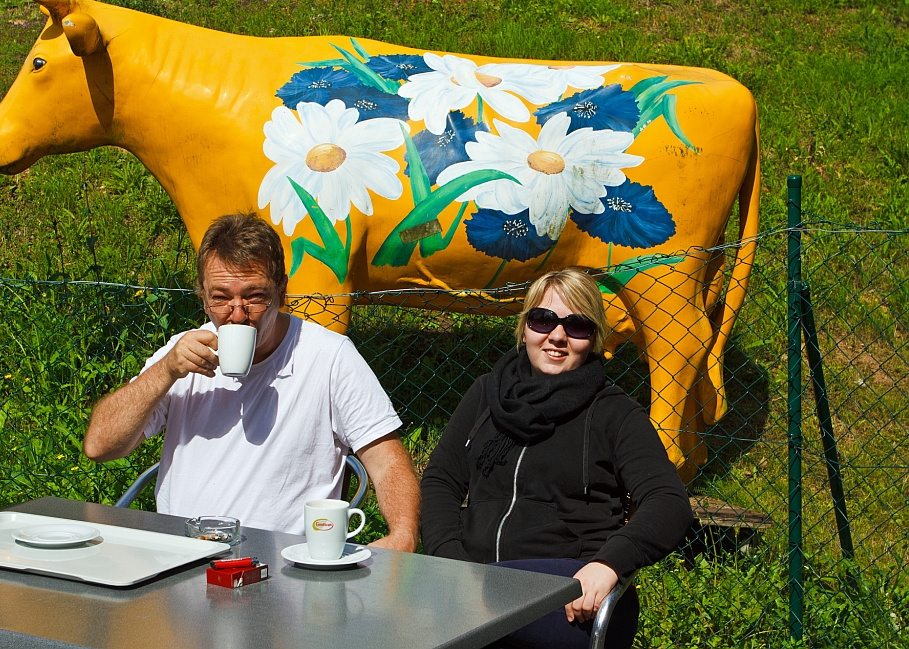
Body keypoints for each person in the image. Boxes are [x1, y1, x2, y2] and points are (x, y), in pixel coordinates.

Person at [84, 213, 419, 551]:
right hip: (182, 557)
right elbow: (99, 446)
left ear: (282, 291)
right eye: (220, 298)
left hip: (282, 569)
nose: (238, 314)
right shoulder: (182, 354)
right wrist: (165, 371)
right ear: (202, 297)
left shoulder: (328, 357)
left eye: (254, 296)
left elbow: (387, 459)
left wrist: (402, 536)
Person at [420, 268, 692, 648]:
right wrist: (449, 560)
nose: (557, 335)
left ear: (594, 337)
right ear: (525, 326)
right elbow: (440, 481)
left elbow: (668, 501)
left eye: (576, 325)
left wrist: (609, 564)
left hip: (570, 594)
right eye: (543, 319)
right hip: (473, 579)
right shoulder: (486, 394)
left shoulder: (614, 413)